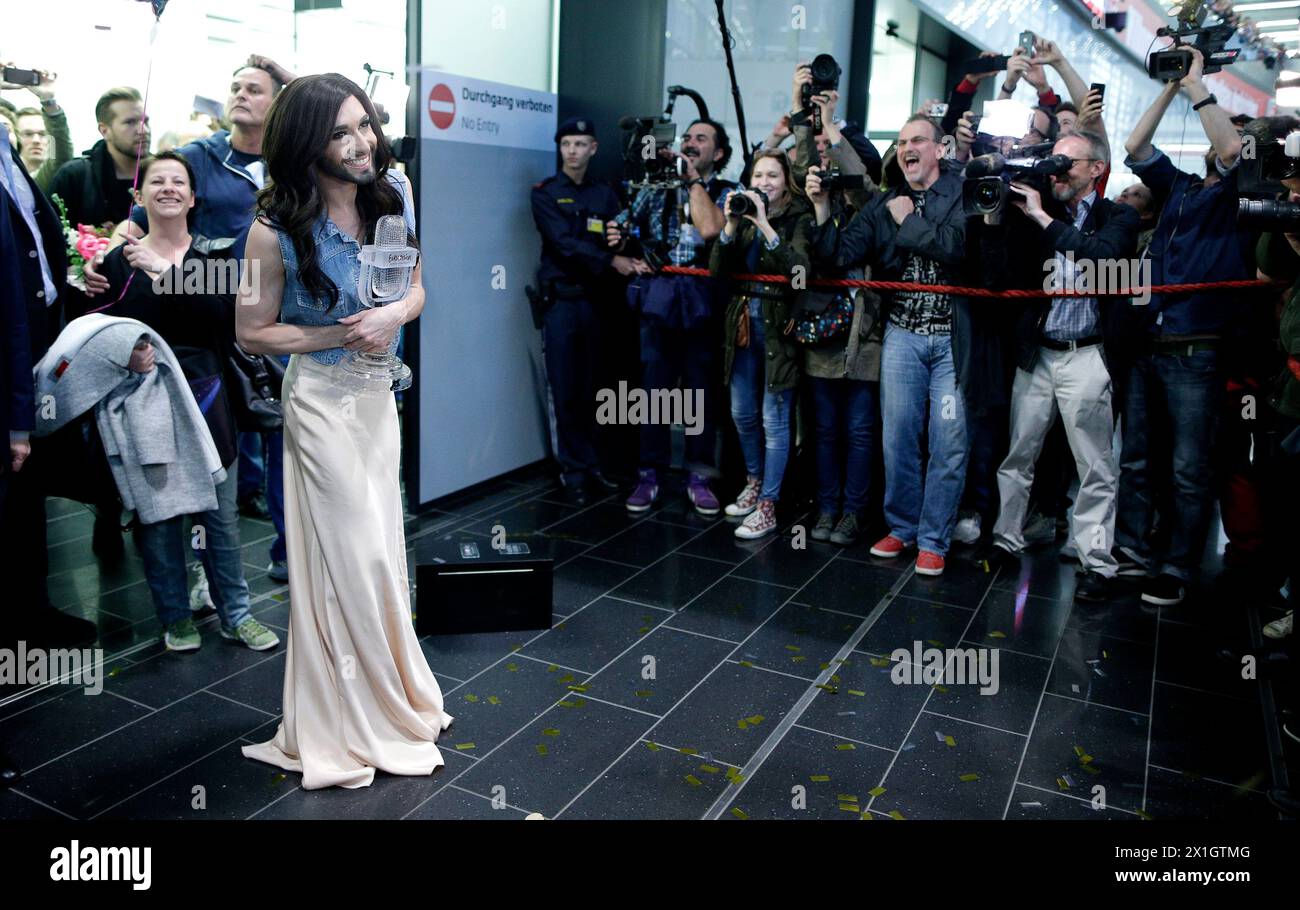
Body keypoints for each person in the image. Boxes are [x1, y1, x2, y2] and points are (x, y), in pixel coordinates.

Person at [235, 73, 452, 789]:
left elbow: (417, 286)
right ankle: (353, 715)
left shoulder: (396, 194)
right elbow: (252, 332)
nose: (362, 143)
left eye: (364, 125)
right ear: (306, 144)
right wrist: (335, 333)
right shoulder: (271, 231)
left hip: (377, 399)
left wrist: (394, 316)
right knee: (352, 554)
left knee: (382, 549)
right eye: (340, 133)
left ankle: (385, 696)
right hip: (321, 400)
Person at [99, 150, 279, 651]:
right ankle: (174, 616)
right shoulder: (118, 262)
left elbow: (226, 318)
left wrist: (165, 270)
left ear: (193, 197)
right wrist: (122, 348)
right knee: (158, 514)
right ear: (139, 195)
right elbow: (100, 330)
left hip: (208, 397)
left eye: (179, 181)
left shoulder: (215, 260)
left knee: (220, 514)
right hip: (144, 402)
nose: (169, 189)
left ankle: (236, 613)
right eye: (157, 181)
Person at [1118, 47, 1255, 606]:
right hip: (1150, 342)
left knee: (1188, 468)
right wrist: (1172, 85)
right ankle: (1129, 554)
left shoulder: (1237, 196)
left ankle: (1175, 567)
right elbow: (1134, 147)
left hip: (1196, 350)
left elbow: (1228, 147)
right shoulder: (1178, 188)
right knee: (1137, 458)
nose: (1220, 135)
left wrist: (1199, 84)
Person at [808, 114, 970, 576]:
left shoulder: (961, 194)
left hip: (952, 343)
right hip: (902, 337)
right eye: (901, 142)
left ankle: (934, 539)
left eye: (917, 140)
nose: (906, 148)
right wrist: (821, 208)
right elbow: (837, 256)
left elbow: (961, 251)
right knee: (897, 439)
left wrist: (910, 222)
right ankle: (902, 528)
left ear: (941, 149)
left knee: (948, 441)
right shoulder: (885, 203)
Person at [979, 130, 1137, 600]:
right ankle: (1006, 541)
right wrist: (997, 218)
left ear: (1096, 170)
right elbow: (997, 277)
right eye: (1053, 161)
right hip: (1038, 352)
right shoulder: (1030, 212)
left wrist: (1044, 218)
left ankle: (1096, 564)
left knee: (1095, 465)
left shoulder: (1118, 216)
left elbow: (1106, 258)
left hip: (1087, 353)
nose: (1057, 171)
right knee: (1018, 455)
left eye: (1068, 163)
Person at [606, 118, 736, 516]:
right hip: (659, 300)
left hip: (702, 302)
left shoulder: (727, 192)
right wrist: (618, 244)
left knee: (698, 392)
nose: (692, 144)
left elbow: (712, 229)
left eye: (702, 139)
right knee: (654, 392)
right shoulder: (655, 186)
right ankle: (650, 473)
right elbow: (620, 227)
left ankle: (698, 476)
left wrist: (692, 180)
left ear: (719, 153)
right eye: (689, 137)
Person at [530, 116, 647, 505]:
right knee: (564, 388)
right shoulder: (546, 193)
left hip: (599, 303)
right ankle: (573, 471)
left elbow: (618, 236)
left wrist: (624, 248)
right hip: (563, 302)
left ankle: (594, 464)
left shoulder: (605, 193)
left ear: (593, 148)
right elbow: (563, 244)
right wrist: (610, 262)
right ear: (560, 149)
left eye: (580, 144)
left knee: (595, 387)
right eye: (567, 145)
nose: (573, 151)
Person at [711, 149, 813, 538]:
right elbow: (717, 272)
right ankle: (753, 482)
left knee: (775, 420)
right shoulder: (743, 215)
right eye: (758, 176)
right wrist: (731, 226)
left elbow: (799, 273)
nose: (764, 183)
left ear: (787, 181)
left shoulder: (798, 219)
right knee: (742, 413)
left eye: (773, 176)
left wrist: (766, 225)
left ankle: (769, 503)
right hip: (741, 326)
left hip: (777, 329)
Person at [48, 86, 150, 234]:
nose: (143, 130)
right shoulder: (74, 177)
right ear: (104, 130)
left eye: (145, 121)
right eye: (130, 122)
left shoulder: (163, 175)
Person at [1, 66, 70, 193]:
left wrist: (48, 99)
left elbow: (60, 153)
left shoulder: (43, 179)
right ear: (15, 137)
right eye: (28, 134)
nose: (36, 140)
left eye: (42, 134)